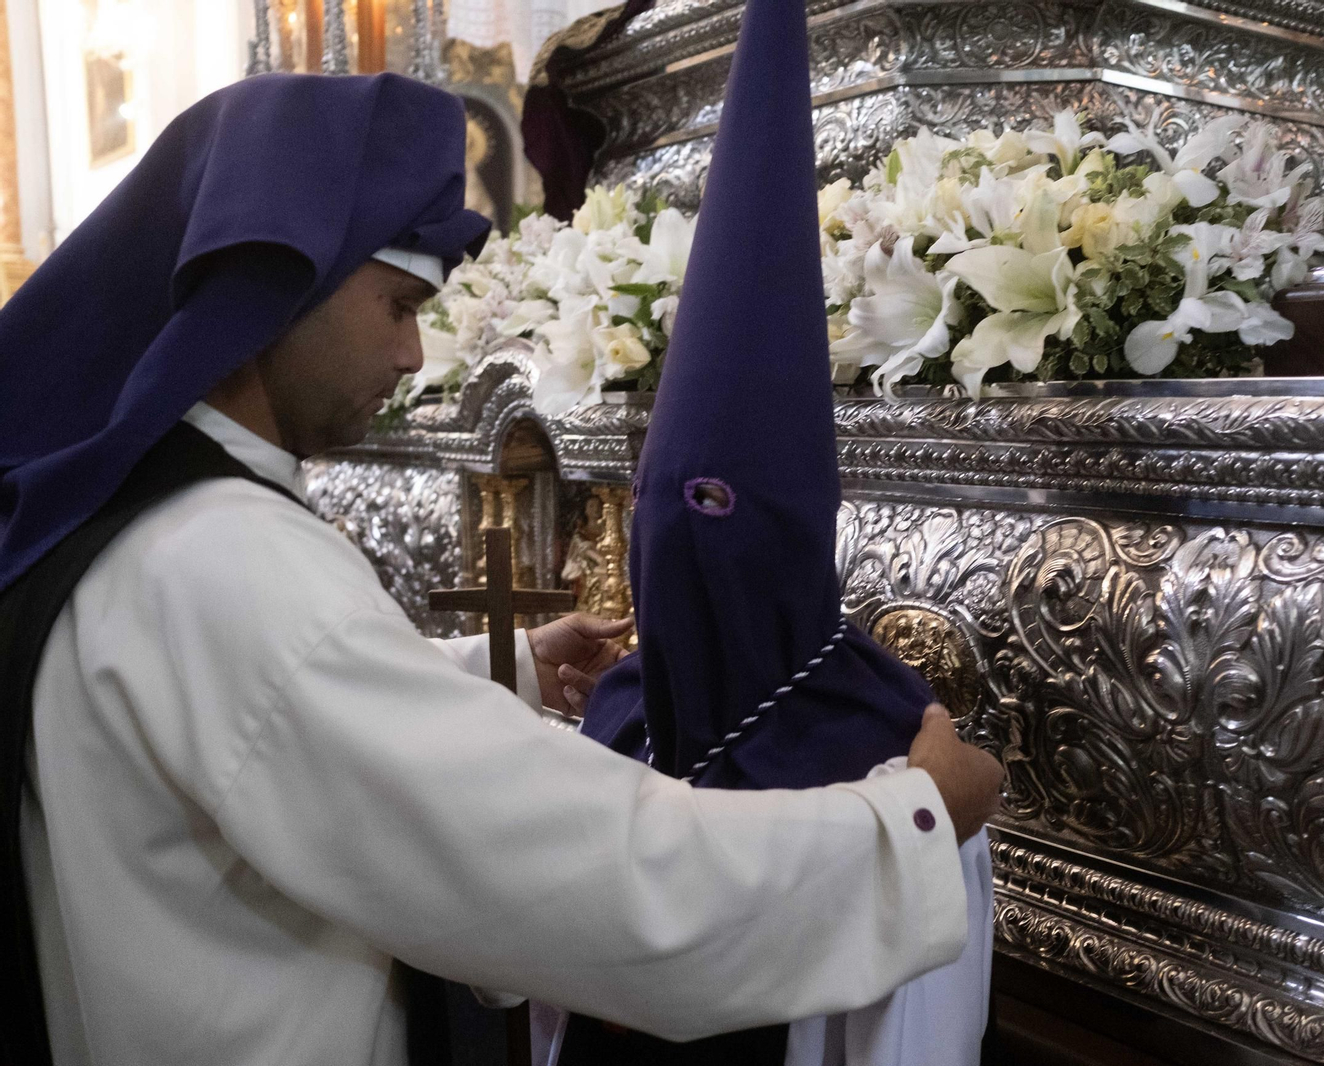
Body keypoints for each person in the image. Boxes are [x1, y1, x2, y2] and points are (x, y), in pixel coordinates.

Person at [0, 73, 1004, 1065]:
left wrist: (507, 666)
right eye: (399, 304)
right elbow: (583, 873)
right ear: (283, 287)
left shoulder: (132, 514)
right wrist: (908, 830)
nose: (411, 354)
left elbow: (263, 712)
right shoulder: (231, 560)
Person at [556, 0, 992, 1062]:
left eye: (715, 505)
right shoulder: (622, 707)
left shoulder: (890, 745)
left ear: (796, 530)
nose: (679, 537)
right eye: (661, 499)